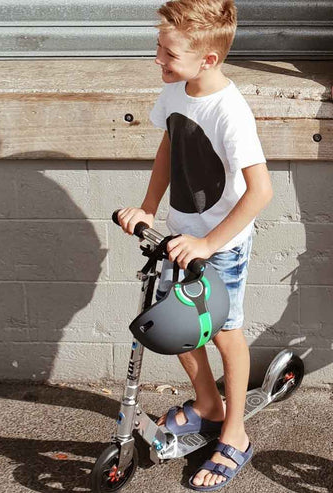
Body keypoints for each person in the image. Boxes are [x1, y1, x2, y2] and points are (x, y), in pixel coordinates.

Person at [117, 0, 273, 490]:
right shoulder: (177, 93)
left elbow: (261, 191)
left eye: (168, 54)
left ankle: (235, 432)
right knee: (177, 325)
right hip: (181, 235)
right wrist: (147, 208)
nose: (158, 60)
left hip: (217, 244)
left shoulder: (230, 111)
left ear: (208, 59)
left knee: (225, 333)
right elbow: (169, 147)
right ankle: (207, 406)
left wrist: (209, 242)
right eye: (158, 49)